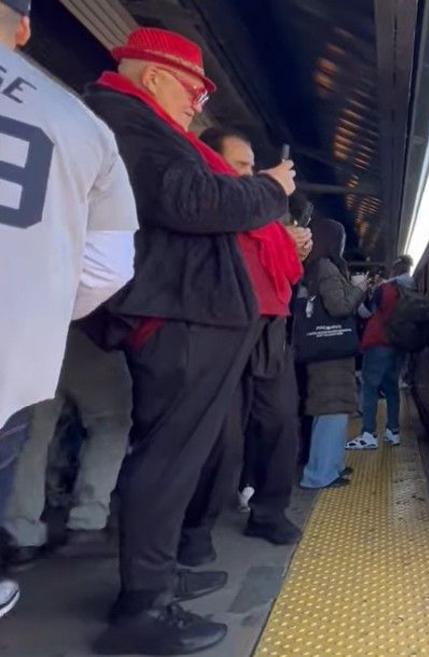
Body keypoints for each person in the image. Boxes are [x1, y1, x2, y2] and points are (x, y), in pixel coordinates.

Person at [82, 27, 298, 654]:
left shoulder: (132, 122)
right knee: (169, 458)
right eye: (192, 90)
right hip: (178, 315)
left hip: (187, 312)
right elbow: (191, 199)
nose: (196, 105)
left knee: (177, 456)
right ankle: (141, 609)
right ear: (152, 76)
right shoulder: (127, 120)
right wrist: (270, 189)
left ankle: (157, 580)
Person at [0, 0, 137, 618]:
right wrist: (50, 309)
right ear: (25, 28)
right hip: (30, 336)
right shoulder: (80, 126)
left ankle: (22, 528)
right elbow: (111, 266)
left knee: (38, 432)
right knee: (104, 420)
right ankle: (86, 515)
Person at [173, 127, 312, 572]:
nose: (252, 174)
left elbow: (283, 268)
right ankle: (193, 528)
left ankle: (268, 513)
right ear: (211, 163)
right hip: (223, 325)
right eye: (241, 166)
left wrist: (295, 247)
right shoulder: (204, 202)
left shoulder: (264, 214)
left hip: (271, 325)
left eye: (252, 166)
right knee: (221, 437)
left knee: (280, 423)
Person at [4, 325, 132, 564]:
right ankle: (87, 523)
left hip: (35, 333)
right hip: (89, 330)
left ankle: (20, 535)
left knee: (33, 434)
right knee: (110, 422)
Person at [300, 219, 364, 488]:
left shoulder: (316, 267)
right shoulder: (326, 267)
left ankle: (331, 467)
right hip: (329, 353)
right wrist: (359, 288)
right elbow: (338, 306)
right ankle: (318, 475)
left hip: (326, 351)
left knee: (332, 410)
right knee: (331, 409)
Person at [348, 256, 415, 449]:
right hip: (399, 345)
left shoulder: (385, 289)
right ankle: (393, 432)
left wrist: (359, 296)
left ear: (394, 271)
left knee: (370, 387)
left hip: (379, 343)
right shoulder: (411, 289)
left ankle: (368, 433)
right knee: (392, 387)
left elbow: (365, 312)